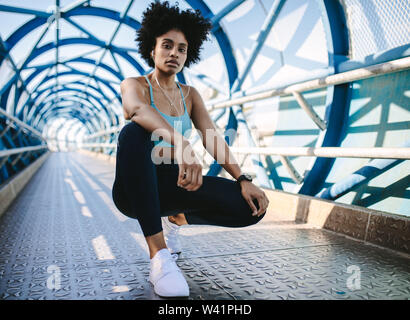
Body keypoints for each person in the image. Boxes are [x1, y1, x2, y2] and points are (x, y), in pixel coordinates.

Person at [112, 1, 269, 298]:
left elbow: (211, 136)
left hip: (174, 186)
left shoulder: (190, 95)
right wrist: (181, 143)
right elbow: (135, 109)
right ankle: (160, 258)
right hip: (132, 191)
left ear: (188, 54)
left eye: (182, 49)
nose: (174, 53)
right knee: (134, 133)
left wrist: (243, 179)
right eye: (167, 45)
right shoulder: (134, 84)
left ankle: (178, 218)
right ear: (152, 49)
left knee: (252, 208)